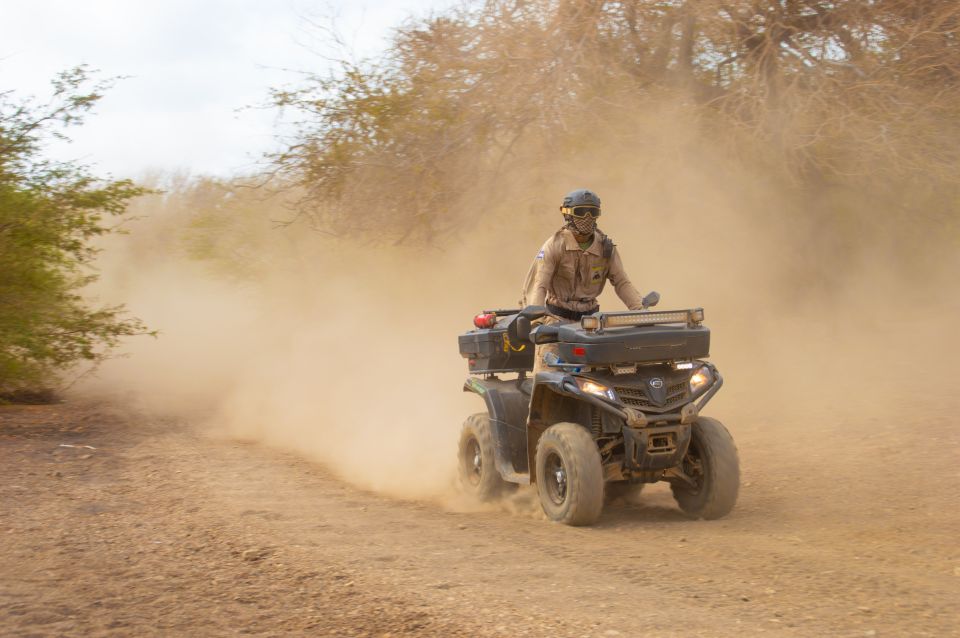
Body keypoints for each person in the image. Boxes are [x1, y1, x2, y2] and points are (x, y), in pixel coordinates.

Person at [520, 188, 645, 374]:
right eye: (580, 212)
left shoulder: (605, 247)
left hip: (591, 325)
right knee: (548, 378)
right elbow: (539, 285)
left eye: (592, 212)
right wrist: (538, 324)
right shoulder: (554, 245)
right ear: (567, 214)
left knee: (604, 379)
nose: (587, 217)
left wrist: (641, 312)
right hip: (556, 324)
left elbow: (621, 282)